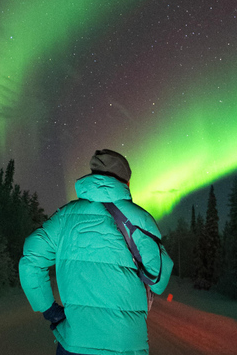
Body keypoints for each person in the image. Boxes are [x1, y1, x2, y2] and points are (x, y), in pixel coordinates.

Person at [19, 149, 173, 355]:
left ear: (93, 175)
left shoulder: (65, 218)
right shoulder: (141, 220)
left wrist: (49, 309)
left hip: (76, 343)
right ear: (126, 183)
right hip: (127, 345)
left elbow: (31, 261)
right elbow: (160, 280)